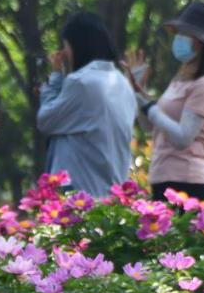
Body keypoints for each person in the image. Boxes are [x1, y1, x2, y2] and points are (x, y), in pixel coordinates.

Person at [131, 0, 204, 202]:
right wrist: (139, 94)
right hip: (161, 178)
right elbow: (150, 126)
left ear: (201, 41)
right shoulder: (180, 79)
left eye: (184, 34)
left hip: (188, 183)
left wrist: (150, 106)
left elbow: (183, 137)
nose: (178, 39)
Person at [37, 12, 137, 196]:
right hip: (112, 191)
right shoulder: (122, 83)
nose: (65, 53)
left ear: (78, 46)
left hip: (80, 193)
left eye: (66, 46)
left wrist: (56, 77)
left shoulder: (81, 83)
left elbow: (46, 120)